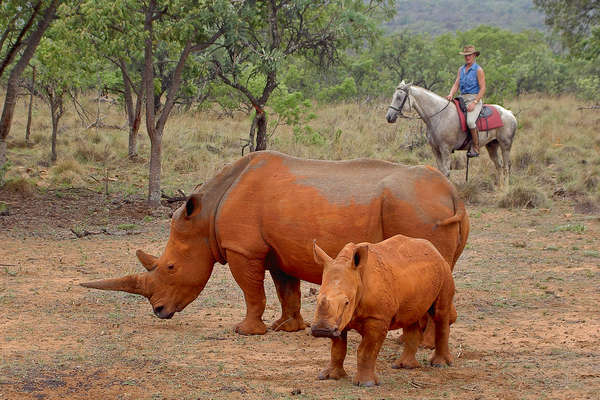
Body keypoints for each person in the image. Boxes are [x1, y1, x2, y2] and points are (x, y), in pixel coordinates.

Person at [446, 45, 486, 158]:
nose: (467, 57)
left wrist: (475, 102)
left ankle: (476, 147)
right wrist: (451, 94)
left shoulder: (478, 70)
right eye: (466, 55)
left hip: (474, 99)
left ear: (474, 56)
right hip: (462, 98)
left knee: (470, 122)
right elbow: (456, 84)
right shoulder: (461, 69)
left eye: (469, 55)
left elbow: (483, 88)